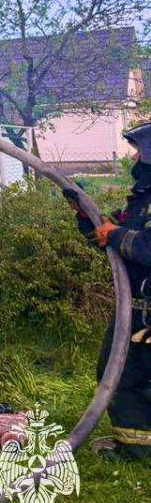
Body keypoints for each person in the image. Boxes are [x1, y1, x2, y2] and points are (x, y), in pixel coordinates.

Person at [67, 120, 151, 460]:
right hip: (136, 311)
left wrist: (113, 235)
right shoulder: (141, 201)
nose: (133, 158)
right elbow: (108, 238)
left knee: (127, 376)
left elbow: (142, 245)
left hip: (145, 314)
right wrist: (85, 217)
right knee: (117, 372)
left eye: (138, 151)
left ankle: (136, 450)